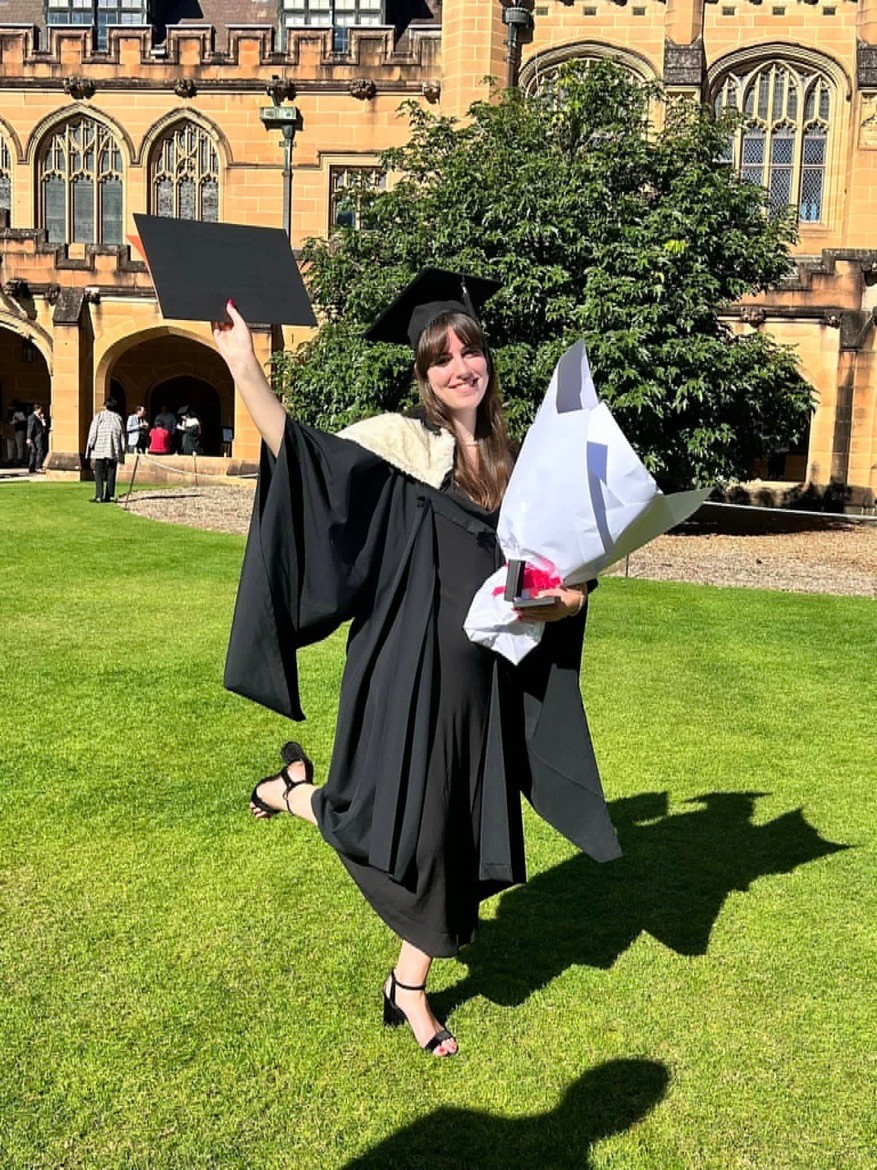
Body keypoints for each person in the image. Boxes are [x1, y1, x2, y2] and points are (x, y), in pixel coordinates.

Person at [213, 270, 620, 1059]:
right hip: (405, 669)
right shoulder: (404, 446)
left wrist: (564, 603)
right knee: (382, 824)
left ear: (486, 362)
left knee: (452, 842)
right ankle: (295, 795)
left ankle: (407, 991)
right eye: (441, 358)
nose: (459, 367)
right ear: (424, 375)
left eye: (469, 351)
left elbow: (559, 579)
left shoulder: (514, 464)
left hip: (483, 683)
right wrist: (245, 370)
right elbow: (304, 460)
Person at [85, 396, 125, 502]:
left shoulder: (99, 416)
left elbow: (93, 432)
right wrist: (122, 449)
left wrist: (91, 444)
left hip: (100, 447)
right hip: (113, 448)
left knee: (98, 472)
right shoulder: (118, 418)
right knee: (111, 471)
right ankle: (109, 495)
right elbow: (122, 435)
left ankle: (99, 496)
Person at [26, 404, 49, 473]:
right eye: (40, 409)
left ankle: (32, 467)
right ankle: (37, 466)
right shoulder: (32, 417)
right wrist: (29, 438)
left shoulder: (39, 417)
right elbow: (30, 428)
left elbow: (44, 425)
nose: (41, 411)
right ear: (37, 409)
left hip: (39, 436)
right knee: (39, 451)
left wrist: (42, 419)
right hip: (35, 437)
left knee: (34, 452)